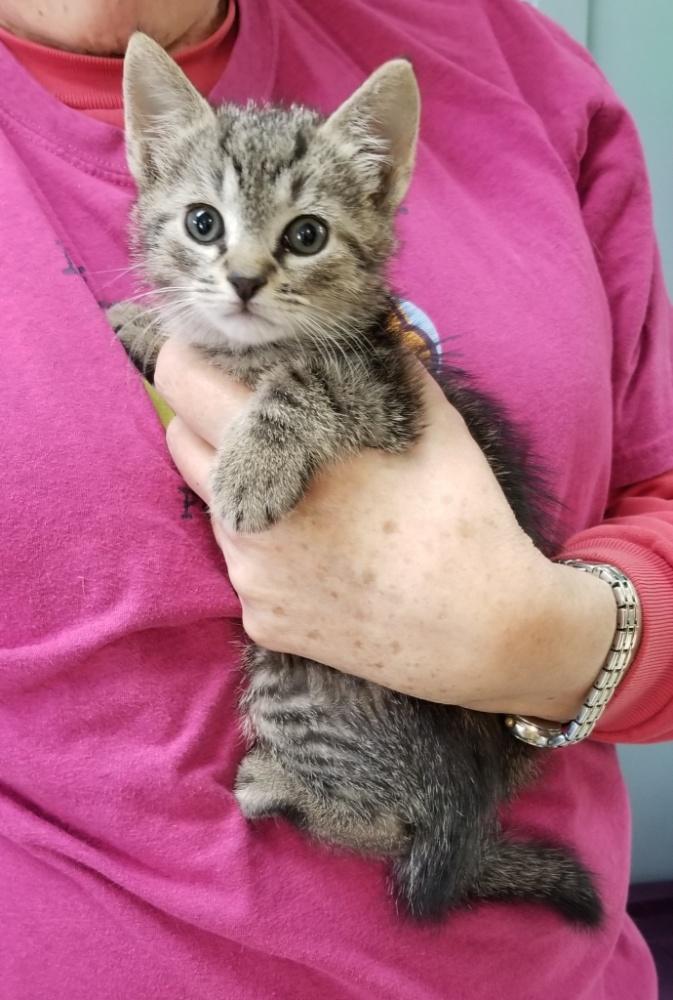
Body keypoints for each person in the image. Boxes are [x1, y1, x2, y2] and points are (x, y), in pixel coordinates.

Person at [1, 0, 672, 996]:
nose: (242, 271)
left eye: (301, 236)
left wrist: (537, 638)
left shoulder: (502, 54)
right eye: (208, 227)